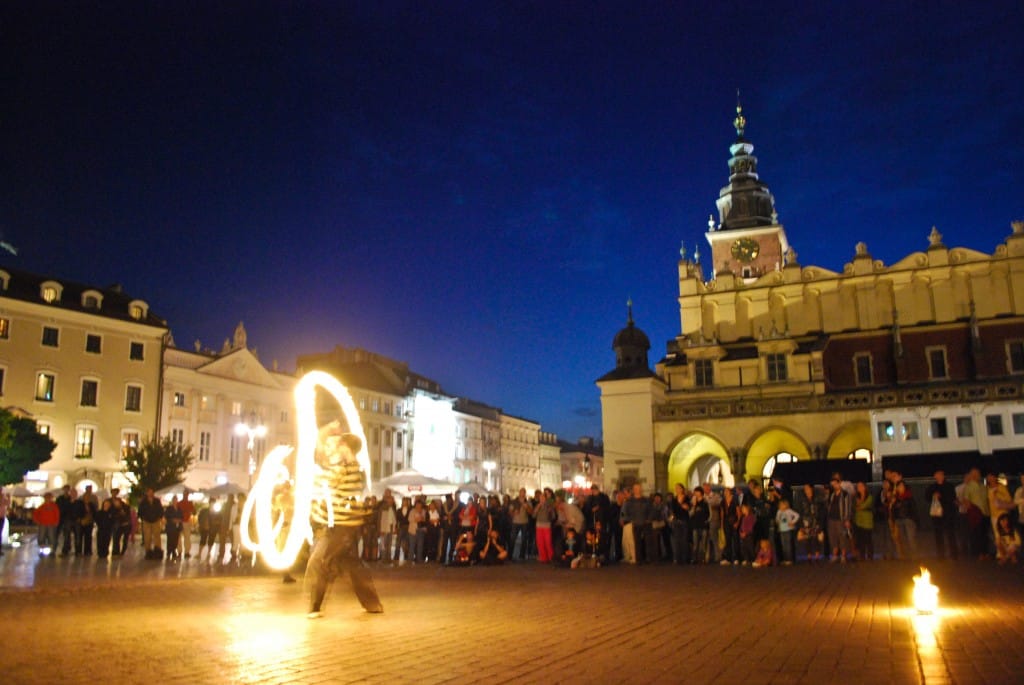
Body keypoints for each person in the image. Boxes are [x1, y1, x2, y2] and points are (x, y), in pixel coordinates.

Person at [304, 423, 383, 618]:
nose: (334, 449)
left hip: (341, 527)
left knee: (320, 560)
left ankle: (314, 606)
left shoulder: (348, 468)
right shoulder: (344, 467)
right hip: (339, 525)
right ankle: (373, 604)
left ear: (346, 449)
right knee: (352, 565)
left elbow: (325, 483)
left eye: (338, 446)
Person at [925, 470, 958, 561]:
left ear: (943, 476)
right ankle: (941, 555)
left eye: (940, 475)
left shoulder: (949, 486)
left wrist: (941, 496)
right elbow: (927, 497)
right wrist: (933, 496)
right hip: (937, 514)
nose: (939, 476)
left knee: (950, 534)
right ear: (935, 476)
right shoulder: (932, 487)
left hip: (948, 513)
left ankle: (953, 554)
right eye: (937, 475)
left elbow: (952, 498)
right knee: (938, 535)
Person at [826, 476, 853, 563]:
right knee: (833, 537)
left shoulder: (845, 494)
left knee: (842, 537)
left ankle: (843, 555)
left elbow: (848, 507)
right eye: (832, 485)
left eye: (835, 484)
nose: (834, 486)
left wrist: (847, 519)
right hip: (832, 519)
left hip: (841, 519)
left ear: (839, 483)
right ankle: (835, 555)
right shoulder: (832, 494)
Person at [797, 484, 824, 563]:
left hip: (815, 521)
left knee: (815, 539)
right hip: (806, 522)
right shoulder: (802, 500)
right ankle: (809, 556)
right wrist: (801, 524)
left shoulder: (817, 499)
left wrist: (820, 523)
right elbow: (800, 513)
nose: (807, 491)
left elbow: (821, 512)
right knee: (807, 539)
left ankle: (817, 556)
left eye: (808, 489)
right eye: (805, 489)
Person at [138, 487, 165, 559]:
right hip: (146, 521)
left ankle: (158, 550)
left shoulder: (157, 501)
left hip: (156, 521)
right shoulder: (143, 502)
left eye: (152, 492)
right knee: (147, 537)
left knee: (157, 536)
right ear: (147, 493)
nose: (150, 493)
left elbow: (160, 509)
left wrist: (160, 517)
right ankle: (148, 551)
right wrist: (143, 518)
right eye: (149, 492)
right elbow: (140, 511)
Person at [669, 484, 690, 565]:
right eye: (676, 488)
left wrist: (684, 506)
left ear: (682, 489)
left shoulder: (686, 498)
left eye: (678, 488)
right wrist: (671, 518)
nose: (677, 489)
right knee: (677, 540)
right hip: (676, 521)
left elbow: (687, 507)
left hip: (684, 520)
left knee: (684, 540)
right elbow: (673, 510)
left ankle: (685, 558)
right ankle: (678, 558)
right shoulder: (674, 499)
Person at [852, 482, 875, 561]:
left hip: (867, 521)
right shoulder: (855, 497)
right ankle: (862, 556)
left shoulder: (869, 496)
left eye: (861, 486)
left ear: (865, 487)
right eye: (858, 486)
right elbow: (854, 507)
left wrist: (859, 505)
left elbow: (863, 506)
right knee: (860, 540)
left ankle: (870, 556)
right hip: (858, 521)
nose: (859, 487)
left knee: (868, 539)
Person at [775, 499, 800, 565]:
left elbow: (797, 515)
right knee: (783, 545)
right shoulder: (779, 511)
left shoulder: (789, 511)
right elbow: (777, 519)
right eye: (780, 505)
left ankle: (789, 559)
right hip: (781, 530)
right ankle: (785, 559)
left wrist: (792, 522)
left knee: (788, 545)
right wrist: (777, 521)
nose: (781, 506)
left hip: (788, 529)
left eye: (782, 505)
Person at [690, 487, 710, 564]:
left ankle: (704, 558)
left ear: (700, 493)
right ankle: (695, 558)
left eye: (696, 492)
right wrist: (694, 505)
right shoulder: (693, 503)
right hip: (695, 525)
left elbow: (709, 513)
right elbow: (691, 514)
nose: (695, 493)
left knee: (704, 543)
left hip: (704, 525)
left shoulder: (705, 502)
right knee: (695, 544)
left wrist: (707, 521)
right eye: (695, 492)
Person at [533, 491, 555, 563]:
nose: (541, 499)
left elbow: (553, 516)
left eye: (543, 497)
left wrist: (550, 511)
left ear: (545, 498)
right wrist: (537, 509)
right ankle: (543, 557)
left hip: (546, 526)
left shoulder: (549, 505)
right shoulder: (537, 505)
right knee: (540, 542)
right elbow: (533, 516)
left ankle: (551, 557)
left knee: (548, 542)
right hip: (539, 525)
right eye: (540, 498)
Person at [164, 496, 184, 561]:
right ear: (172, 501)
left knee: (175, 540)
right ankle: (169, 552)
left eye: (176, 500)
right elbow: (167, 516)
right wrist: (173, 520)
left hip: (177, 527)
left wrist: (179, 520)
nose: (175, 501)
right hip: (170, 526)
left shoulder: (179, 508)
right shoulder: (169, 508)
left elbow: (182, 516)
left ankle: (173, 551)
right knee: (170, 540)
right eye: (174, 500)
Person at [177, 489, 195, 559]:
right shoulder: (179, 503)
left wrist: (192, 509)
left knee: (187, 537)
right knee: (179, 538)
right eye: (185, 494)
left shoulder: (190, 503)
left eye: (186, 494)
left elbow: (194, 512)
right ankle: (179, 551)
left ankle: (187, 552)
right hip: (181, 521)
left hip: (187, 521)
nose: (186, 496)